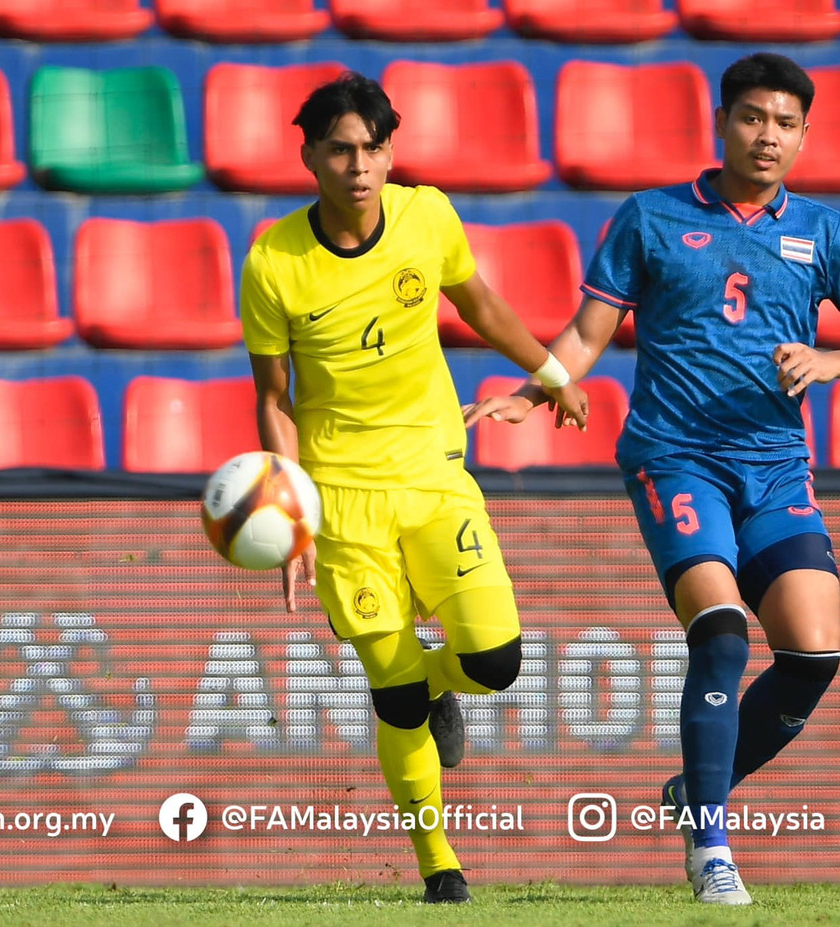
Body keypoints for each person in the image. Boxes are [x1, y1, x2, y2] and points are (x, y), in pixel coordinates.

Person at [466, 52, 840, 904]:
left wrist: (829, 361)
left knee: (814, 654)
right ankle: (710, 841)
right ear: (722, 122)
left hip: (775, 466)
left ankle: (693, 787)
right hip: (674, 457)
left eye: (786, 124)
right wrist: (536, 388)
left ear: (805, 136)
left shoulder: (824, 232)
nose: (768, 136)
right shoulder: (654, 218)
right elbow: (588, 331)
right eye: (754, 117)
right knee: (719, 628)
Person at [240, 72, 590, 904]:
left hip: (435, 475)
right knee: (391, 689)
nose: (360, 166)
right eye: (340, 149)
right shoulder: (273, 262)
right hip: (342, 501)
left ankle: (445, 685)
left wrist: (550, 370)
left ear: (391, 151)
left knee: (497, 662)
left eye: (373, 148)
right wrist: (292, 512)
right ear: (310, 157)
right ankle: (440, 865)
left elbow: (478, 302)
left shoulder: (428, 216)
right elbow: (273, 396)